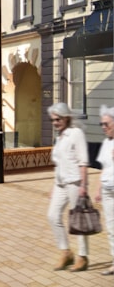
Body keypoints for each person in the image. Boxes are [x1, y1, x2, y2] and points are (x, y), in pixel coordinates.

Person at [46, 103, 91, 272]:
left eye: (58, 119)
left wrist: (84, 186)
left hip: (75, 182)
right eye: (53, 120)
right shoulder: (59, 137)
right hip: (60, 184)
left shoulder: (76, 133)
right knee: (52, 215)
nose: (55, 122)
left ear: (66, 117)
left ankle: (83, 257)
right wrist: (53, 186)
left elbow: (83, 162)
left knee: (78, 221)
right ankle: (66, 252)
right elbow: (58, 164)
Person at [94, 105, 114, 275]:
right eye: (102, 124)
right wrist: (98, 189)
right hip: (108, 191)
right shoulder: (106, 143)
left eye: (106, 124)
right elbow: (103, 168)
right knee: (111, 228)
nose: (103, 127)